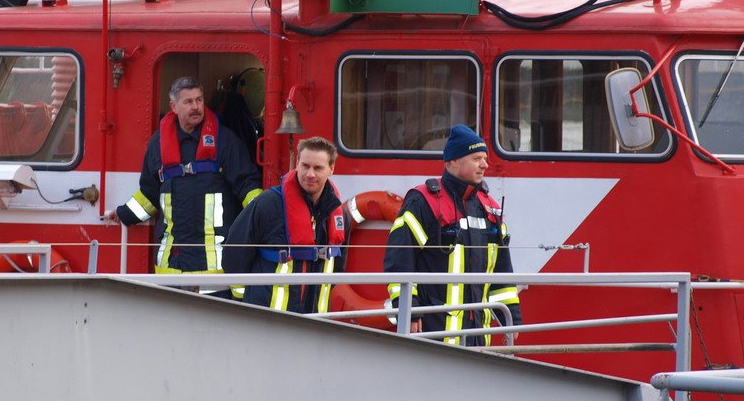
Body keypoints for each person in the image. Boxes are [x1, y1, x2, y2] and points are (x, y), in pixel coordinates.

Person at [107, 77, 262, 293]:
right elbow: (150, 192)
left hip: (214, 272)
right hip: (171, 269)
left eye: (199, 100)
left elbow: (246, 184)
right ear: (174, 106)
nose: (196, 107)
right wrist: (124, 214)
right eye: (188, 102)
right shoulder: (158, 144)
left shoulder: (225, 141)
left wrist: (263, 213)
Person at [383, 124, 521, 346]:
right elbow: (399, 260)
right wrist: (410, 310)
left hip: (477, 336)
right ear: (453, 161)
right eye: (477, 158)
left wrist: (511, 318)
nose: (485, 164)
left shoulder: (490, 209)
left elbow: (502, 272)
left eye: (484, 158)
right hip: (433, 334)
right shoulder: (423, 202)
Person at [223, 136, 349, 313]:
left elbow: (338, 268)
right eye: (305, 166)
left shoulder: (339, 216)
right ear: (297, 163)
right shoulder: (268, 204)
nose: (310, 174)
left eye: (318, 168)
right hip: (266, 320)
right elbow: (234, 257)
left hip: (316, 324)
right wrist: (245, 302)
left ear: (331, 169)